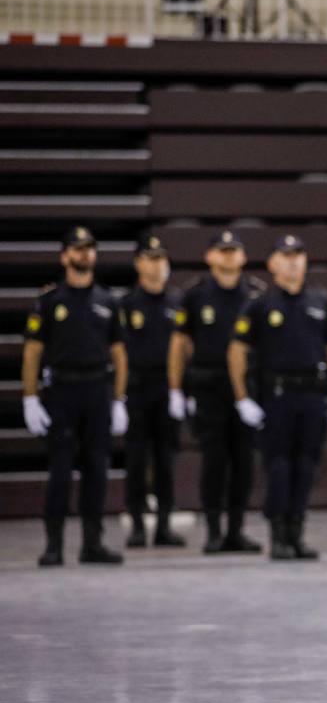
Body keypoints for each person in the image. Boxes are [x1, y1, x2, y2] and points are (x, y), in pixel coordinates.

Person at [228, 235, 327, 560]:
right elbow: (237, 351)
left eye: (298, 255)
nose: (293, 261)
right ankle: (278, 533)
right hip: (277, 394)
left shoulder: (320, 300)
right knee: (278, 465)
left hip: (312, 393)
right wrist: (242, 397)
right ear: (273, 264)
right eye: (286, 255)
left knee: (307, 464)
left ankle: (297, 532)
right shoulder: (260, 303)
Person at [22, 226, 128, 566]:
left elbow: (120, 355)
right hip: (63, 391)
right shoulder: (51, 301)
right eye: (77, 248)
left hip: (97, 389)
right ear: (64, 256)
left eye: (89, 248)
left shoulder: (108, 301)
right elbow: (33, 352)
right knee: (60, 470)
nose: (84, 254)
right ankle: (53, 544)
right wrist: (30, 397)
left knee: (97, 470)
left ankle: (92, 543)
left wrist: (119, 400)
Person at [168, 230, 265, 554]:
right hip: (208, 387)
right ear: (210, 256)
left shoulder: (254, 294)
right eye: (222, 251)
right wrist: (176, 389)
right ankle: (213, 530)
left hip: (245, 390)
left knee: (243, 461)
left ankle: (236, 530)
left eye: (233, 251)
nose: (228, 257)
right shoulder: (195, 295)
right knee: (214, 461)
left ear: (242, 257)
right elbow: (179, 345)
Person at [119, 232, 185, 547]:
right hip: (138, 389)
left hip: (167, 388)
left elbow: (187, 348)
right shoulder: (127, 303)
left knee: (165, 460)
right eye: (151, 258)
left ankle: (163, 525)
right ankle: (136, 525)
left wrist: (183, 390)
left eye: (161, 259)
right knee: (135, 459)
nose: (157, 265)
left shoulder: (177, 302)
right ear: (138, 263)